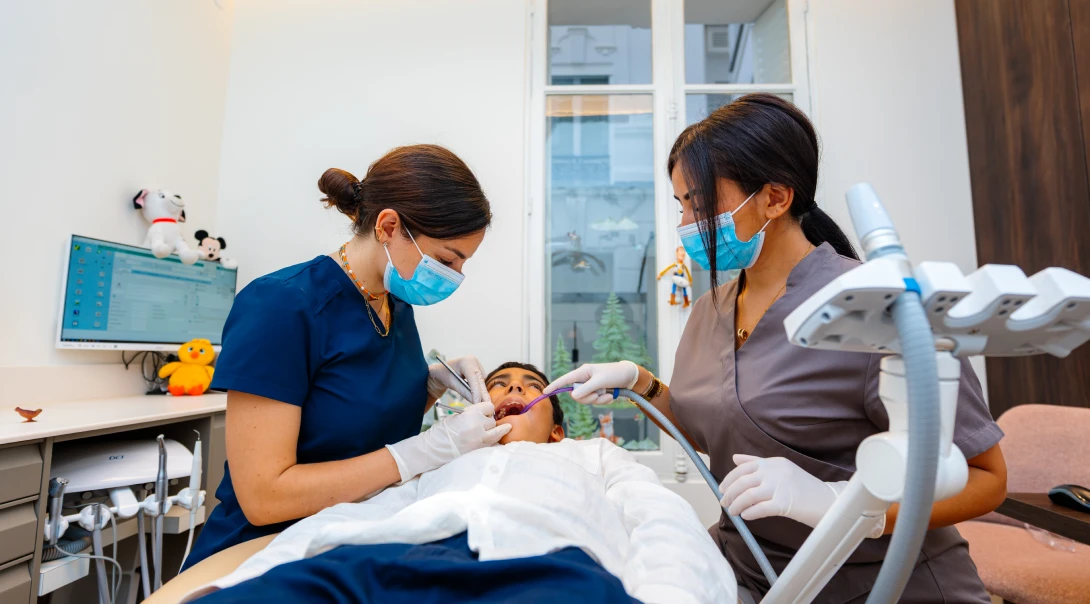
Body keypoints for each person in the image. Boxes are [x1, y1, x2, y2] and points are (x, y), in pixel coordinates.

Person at [545, 94, 1007, 603]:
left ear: (775, 198)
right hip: (752, 573)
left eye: (700, 204)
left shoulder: (877, 307)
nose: (685, 225)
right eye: (681, 206)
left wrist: (841, 505)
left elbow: (985, 479)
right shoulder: (710, 310)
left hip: (882, 583)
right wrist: (641, 382)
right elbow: (719, 433)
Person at [182, 145, 511, 569]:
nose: (454, 277)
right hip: (267, 548)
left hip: (355, 527)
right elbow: (265, 497)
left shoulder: (394, 302)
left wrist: (429, 384)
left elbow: (358, 420)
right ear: (388, 226)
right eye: (447, 260)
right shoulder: (282, 305)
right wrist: (424, 451)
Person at [179, 363, 736, 604]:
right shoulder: (443, 458)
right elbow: (353, 517)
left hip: (546, 566)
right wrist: (252, 577)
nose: (513, 390)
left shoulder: (592, 455)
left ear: (557, 428)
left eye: (531, 386)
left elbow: (662, 521)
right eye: (499, 384)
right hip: (392, 560)